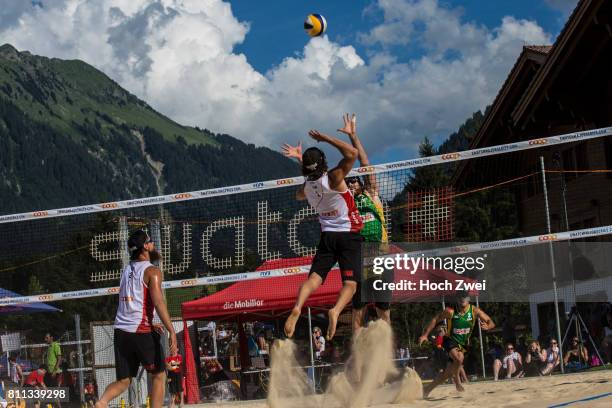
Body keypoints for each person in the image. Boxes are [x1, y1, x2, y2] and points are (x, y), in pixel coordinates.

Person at [282, 128, 363, 340]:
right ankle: (335, 310)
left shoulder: (305, 190)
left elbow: (305, 184)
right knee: (351, 284)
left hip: (328, 236)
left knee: (315, 279)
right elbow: (352, 153)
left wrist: (301, 159)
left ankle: (298, 307)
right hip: (349, 234)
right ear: (324, 162)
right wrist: (324, 138)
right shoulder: (335, 178)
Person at [95, 230, 178, 408]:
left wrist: (151, 320)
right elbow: (158, 302)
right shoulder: (152, 271)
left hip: (121, 330)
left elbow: (135, 302)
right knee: (159, 374)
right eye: (150, 241)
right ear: (145, 247)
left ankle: (101, 403)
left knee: (124, 381)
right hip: (140, 330)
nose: (153, 244)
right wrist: (171, 330)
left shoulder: (126, 270)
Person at [418, 291, 495, 397]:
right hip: (449, 340)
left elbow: (490, 321)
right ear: (457, 299)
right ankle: (457, 380)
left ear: (468, 299)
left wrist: (488, 326)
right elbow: (435, 319)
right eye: (460, 297)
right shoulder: (450, 311)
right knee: (459, 358)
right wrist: (425, 335)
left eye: (465, 296)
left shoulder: (474, 311)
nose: (462, 298)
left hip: (462, 344)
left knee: (447, 374)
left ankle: (426, 390)